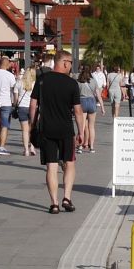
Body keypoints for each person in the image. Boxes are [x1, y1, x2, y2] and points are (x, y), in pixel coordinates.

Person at [30, 49, 82, 213]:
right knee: (70, 163)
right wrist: (81, 131)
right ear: (65, 62)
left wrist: (32, 126)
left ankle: (54, 203)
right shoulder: (72, 84)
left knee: (51, 167)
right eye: (70, 63)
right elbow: (78, 111)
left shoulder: (42, 80)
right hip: (66, 129)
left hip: (46, 129)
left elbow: (33, 105)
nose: (71, 67)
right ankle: (67, 197)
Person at [0, 56, 18, 157]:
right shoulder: (10, 75)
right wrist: (15, 102)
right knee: (4, 125)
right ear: (7, 64)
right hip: (6, 102)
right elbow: (14, 88)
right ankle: (1, 146)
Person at [77, 64, 100, 153]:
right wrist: (102, 106)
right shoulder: (93, 81)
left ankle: (80, 146)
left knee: (82, 126)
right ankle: (92, 147)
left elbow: (76, 93)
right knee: (91, 126)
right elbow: (98, 94)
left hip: (82, 101)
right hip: (92, 101)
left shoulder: (79, 81)